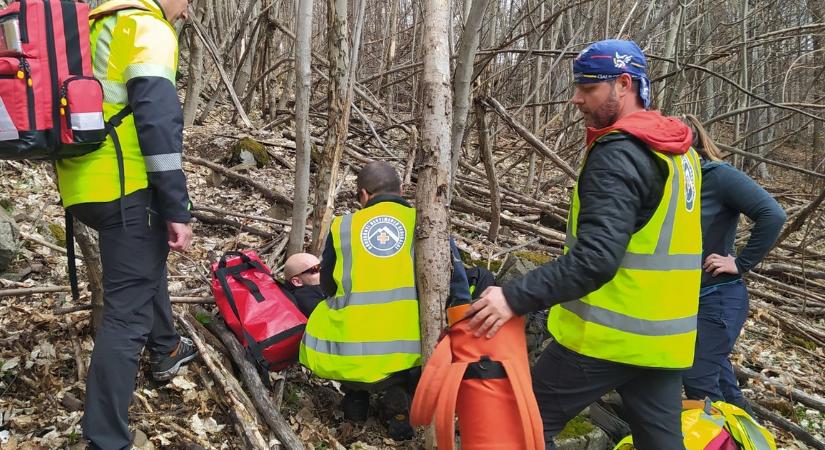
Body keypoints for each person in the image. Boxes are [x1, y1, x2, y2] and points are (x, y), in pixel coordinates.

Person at [467, 39, 703, 450]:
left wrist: (513, 296)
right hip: (663, 345)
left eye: (589, 88)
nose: (577, 99)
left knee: (516, 428)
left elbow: (595, 259)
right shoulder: (680, 153)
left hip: (603, 339)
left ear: (625, 84)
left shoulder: (620, 153)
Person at [55, 0, 196, 448]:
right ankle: (106, 439)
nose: (188, 12)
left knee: (142, 268)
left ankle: (167, 349)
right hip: (126, 184)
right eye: (189, 1)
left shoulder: (94, 25)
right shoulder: (147, 29)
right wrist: (177, 208)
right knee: (125, 317)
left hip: (81, 187)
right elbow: (158, 123)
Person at [299, 161, 471, 441]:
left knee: (329, 313)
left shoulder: (343, 227)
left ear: (363, 195)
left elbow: (328, 286)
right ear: (401, 190)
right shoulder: (426, 221)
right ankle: (399, 413)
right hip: (410, 350)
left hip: (351, 350)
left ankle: (355, 403)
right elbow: (456, 282)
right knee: (402, 370)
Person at [681, 115, 786, 413]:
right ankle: (752, 438)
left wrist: (741, 263)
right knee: (724, 389)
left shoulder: (718, 176)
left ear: (692, 143)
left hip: (718, 299)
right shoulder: (673, 184)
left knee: (699, 383)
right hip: (691, 300)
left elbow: (773, 215)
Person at [283, 252, 325, 317]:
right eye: (315, 269)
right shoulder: (309, 302)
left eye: (321, 266)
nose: (322, 271)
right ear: (297, 281)